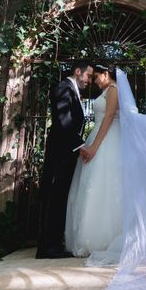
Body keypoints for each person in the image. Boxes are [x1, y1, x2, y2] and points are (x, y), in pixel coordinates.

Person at [36, 60, 93, 259]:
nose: (89, 81)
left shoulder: (72, 89)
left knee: (60, 196)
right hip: (59, 153)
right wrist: (80, 146)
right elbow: (63, 120)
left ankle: (54, 243)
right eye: (88, 76)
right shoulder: (63, 87)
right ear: (78, 71)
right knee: (54, 195)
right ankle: (47, 247)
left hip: (66, 153)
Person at [65, 64, 122, 259]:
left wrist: (95, 147)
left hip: (107, 141)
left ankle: (104, 239)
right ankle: (89, 236)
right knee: (92, 187)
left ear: (106, 74)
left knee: (105, 187)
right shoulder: (106, 90)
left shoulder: (113, 89)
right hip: (97, 137)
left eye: (97, 76)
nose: (94, 81)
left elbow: (108, 117)